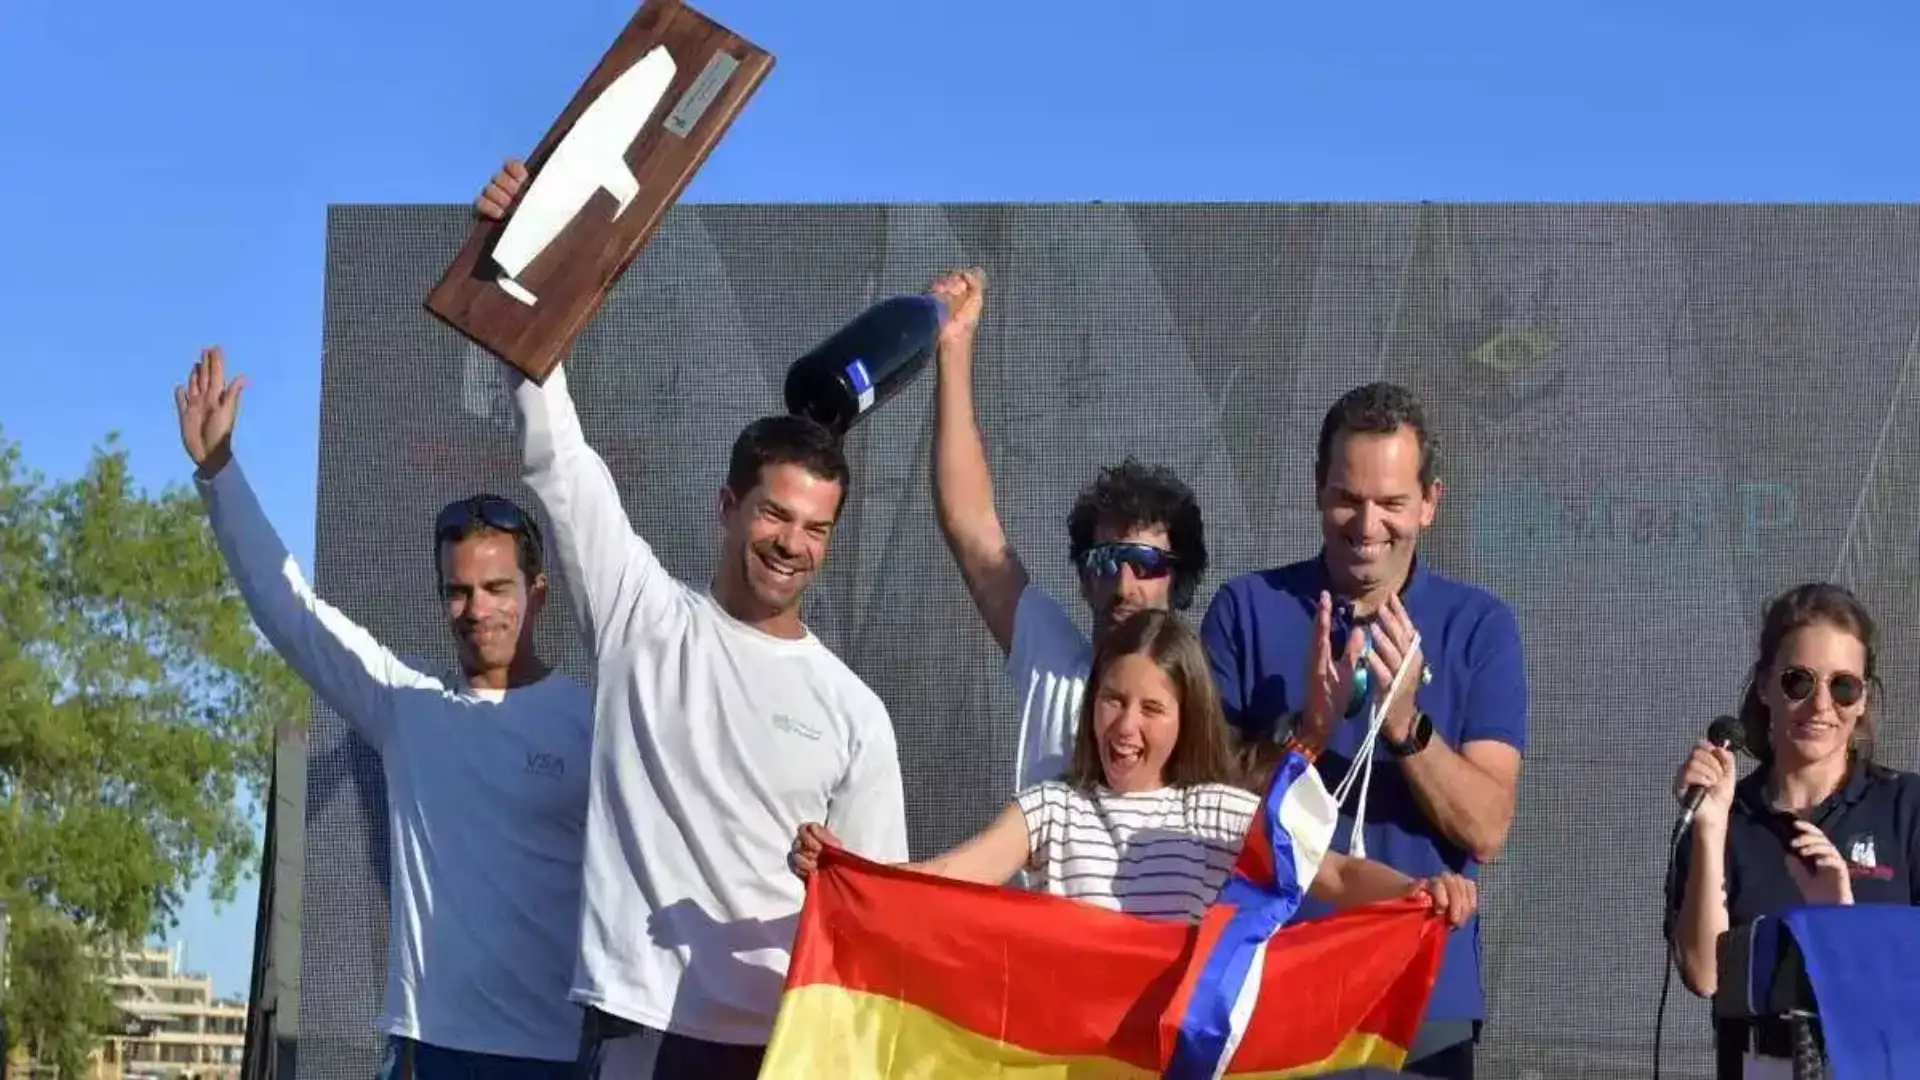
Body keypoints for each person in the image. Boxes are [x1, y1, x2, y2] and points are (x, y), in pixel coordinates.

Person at [474, 163, 909, 1079]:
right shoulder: (641, 615)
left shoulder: (855, 713)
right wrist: (521, 252)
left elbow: (882, 916)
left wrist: (835, 880)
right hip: (638, 1029)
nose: (792, 544)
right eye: (775, 515)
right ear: (728, 506)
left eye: (816, 528)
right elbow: (559, 454)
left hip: (785, 1047)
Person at [175, 347, 593, 1080]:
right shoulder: (408, 703)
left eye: (497, 588)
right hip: (425, 1051)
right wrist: (219, 471)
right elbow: (290, 609)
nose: (478, 610)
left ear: (537, 592)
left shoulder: (591, 723)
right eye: (459, 592)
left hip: (555, 1055)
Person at [1200, 382, 1526, 1080]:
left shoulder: (1480, 627)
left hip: (1420, 994)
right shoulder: (1245, 611)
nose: (1368, 523)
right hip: (1269, 982)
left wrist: (1405, 722)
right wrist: (1308, 734)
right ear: (1318, 491)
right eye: (1348, 498)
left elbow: (1487, 827)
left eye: (1392, 503)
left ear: (1430, 503)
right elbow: (1206, 807)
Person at [791, 609, 1480, 929]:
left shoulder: (1218, 811)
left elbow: (1337, 875)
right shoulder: (1051, 808)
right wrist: (851, 871)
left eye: (1152, 708)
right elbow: (954, 874)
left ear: (1186, 719)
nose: (1126, 727)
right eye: (1113, 700)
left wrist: (1423, 890)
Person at [923, 267, 1209, 790]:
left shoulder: (1203, 699)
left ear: (1179, 577)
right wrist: (955, 347)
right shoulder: (1052, 659)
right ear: (1083, 576)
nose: (1124, 584)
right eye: (1106, 560)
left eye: (1145, 564)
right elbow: (970, 523)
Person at [1666, 582, 1919, 1065]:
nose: (1821, 705)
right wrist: (1710, 828)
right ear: (1765, 686)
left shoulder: (1906, 808)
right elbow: (1704, 976)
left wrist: (1840, 925)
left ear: (1863, 699)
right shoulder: (1723, 816)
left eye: (1843, 686)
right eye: (1798, 681)